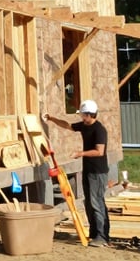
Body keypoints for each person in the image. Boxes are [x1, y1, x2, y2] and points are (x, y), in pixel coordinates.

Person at [43, 99, 110, 247]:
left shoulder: (99, 130)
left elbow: (99, 151)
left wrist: (80, 153)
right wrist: (52, 119)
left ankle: (102, 236)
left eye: (83, 115)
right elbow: (68, 126)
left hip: (98, 172)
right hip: (88, 169)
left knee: (96, 202)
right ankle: (94, 234)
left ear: (89, 114)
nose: (81, 117)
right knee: (89, 202)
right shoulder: (85, 126)